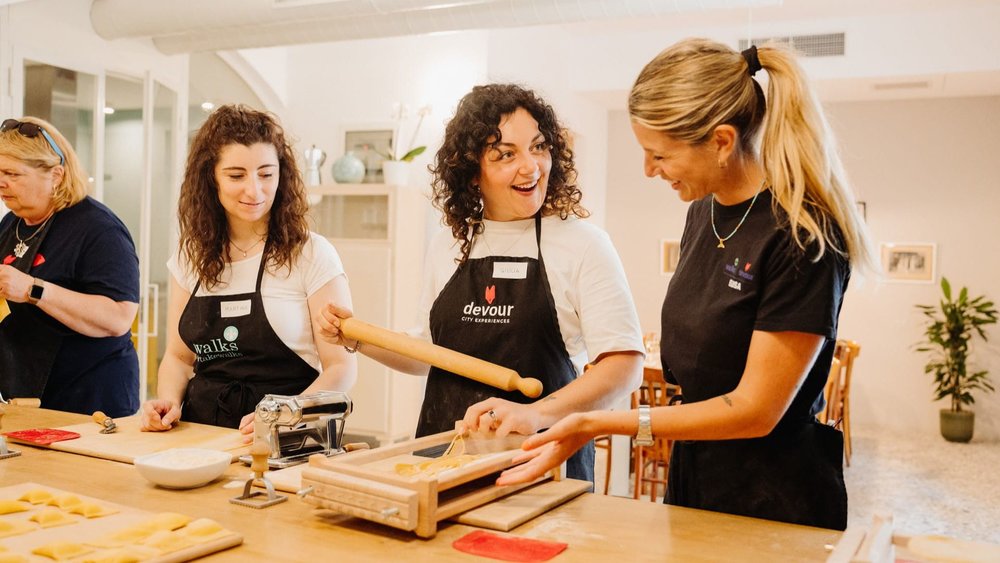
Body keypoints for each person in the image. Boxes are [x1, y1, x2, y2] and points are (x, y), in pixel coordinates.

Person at [495, 40, 874, 531]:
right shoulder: (703, 213)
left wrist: (596, 422)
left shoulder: (802, 235)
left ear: (721, 142)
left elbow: (755, 410)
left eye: (659, 155)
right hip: (696, 476)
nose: (649, 170)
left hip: (775, 497)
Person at [318, 84, 644, 483]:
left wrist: (535, 413)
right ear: (472, 172)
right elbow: (429, 353)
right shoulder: (450, 244)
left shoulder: (583, 244)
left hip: (540, 464)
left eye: (539, 147)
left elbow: (624, 366)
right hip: (444, 459)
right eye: (506, 154)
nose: (531, 167)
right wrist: (356, 338)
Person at [140, 104, 356, 435]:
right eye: (236, 175)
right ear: (211, 178)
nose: (254, 190)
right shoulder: (191, 255)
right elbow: (179, 358)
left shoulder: (311, 254)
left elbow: (341, 367)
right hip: (200, 435)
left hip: (288, 439)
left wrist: (286, 414)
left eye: (266, 174)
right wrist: (168, 402)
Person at [0, 117, 139, 417]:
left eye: (12, 173)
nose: (2, 182)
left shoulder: (99, 229)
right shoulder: (11, 224)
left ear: (56, 175)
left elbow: (118, 318)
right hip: (29, 394)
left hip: (92, 399)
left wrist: (33, 289)